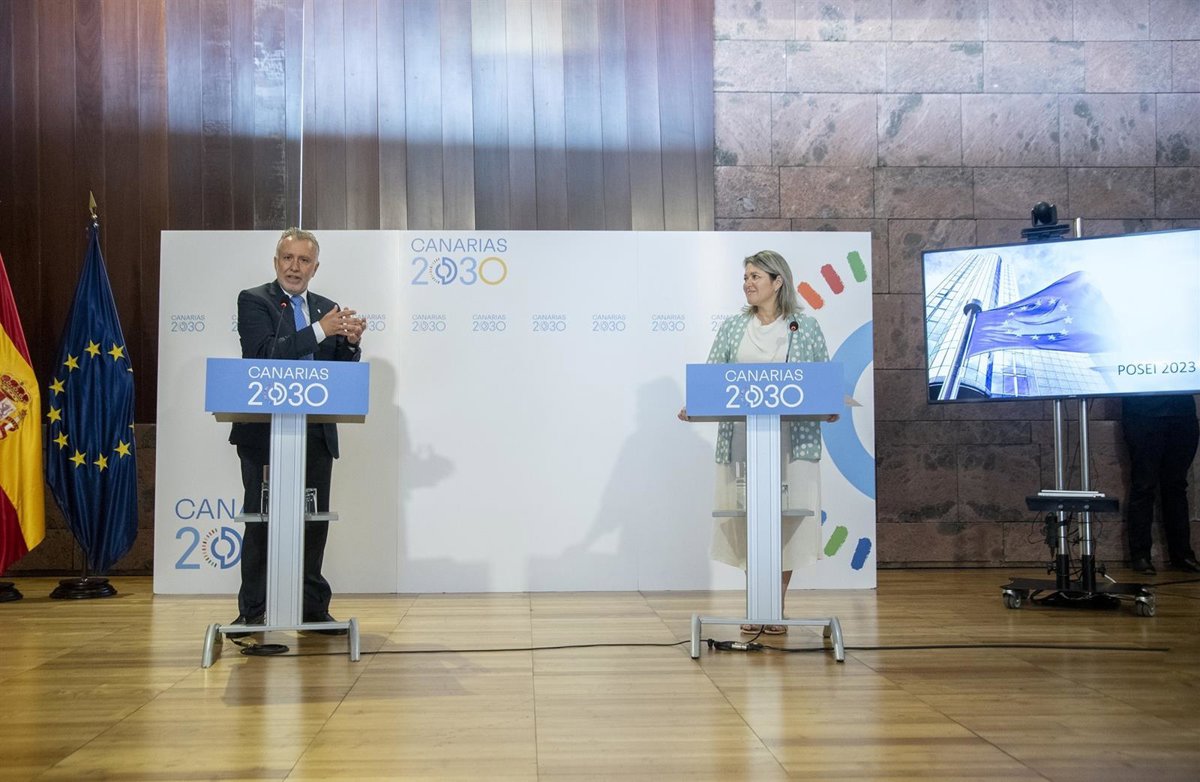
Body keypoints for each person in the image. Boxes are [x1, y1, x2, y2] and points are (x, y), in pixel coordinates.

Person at [678, 250, 836, 634]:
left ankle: (774, 607)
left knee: (787, 521)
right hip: (742, 441)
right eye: (745, 277)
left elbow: (823, 379)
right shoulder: (734, 327)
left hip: (792, 442)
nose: (747, 283)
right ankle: (757, 603)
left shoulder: (803, 327)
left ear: (777, 282)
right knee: (751, 519)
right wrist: (695, 404)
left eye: (755, 276)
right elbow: (714, 377)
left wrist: (830, 404)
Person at [228, 228, 365, 635]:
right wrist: (322, 330)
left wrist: (350, 344)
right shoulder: (255, 300)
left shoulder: (326, 308)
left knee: (313, 522)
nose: (294, 267)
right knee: (262, 521)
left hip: (315, 434)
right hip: (264, 436)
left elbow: (336, 374)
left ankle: (312, 609)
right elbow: (263, 354)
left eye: (304, 260)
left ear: (314, 268)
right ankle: (253, 611)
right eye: (288, 258)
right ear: (276, 262)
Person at [1123, 394, 1200, 575]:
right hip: (1142, 412)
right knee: (1143, 486)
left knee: (1176, 486)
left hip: (1182, 412)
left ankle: (1181, 554)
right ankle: (1140, 555)